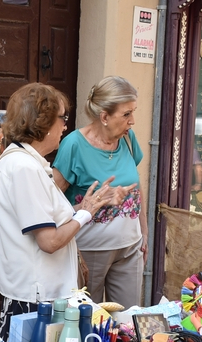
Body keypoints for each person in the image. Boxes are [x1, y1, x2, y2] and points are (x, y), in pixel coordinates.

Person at [0, 82, 129, 341]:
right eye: (62, 117)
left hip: (38, 293)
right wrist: (85, 214)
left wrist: (90, 206)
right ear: (42, 121)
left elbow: (46, 217)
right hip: (35, 298)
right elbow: (49, 240)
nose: (65, 126)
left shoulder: (26, 161)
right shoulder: (24, 168)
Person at [53, 76, 146, 309]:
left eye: (133, 112)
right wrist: (96, 201)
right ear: (104, 116)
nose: (132, 121)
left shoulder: (127, 139)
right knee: (88, 320)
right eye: (126, 114)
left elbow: (136, 185)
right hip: (89, 251)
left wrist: (144, 233)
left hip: (130, 248)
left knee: (127, 321)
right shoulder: (74, 145)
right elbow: (51, 202)